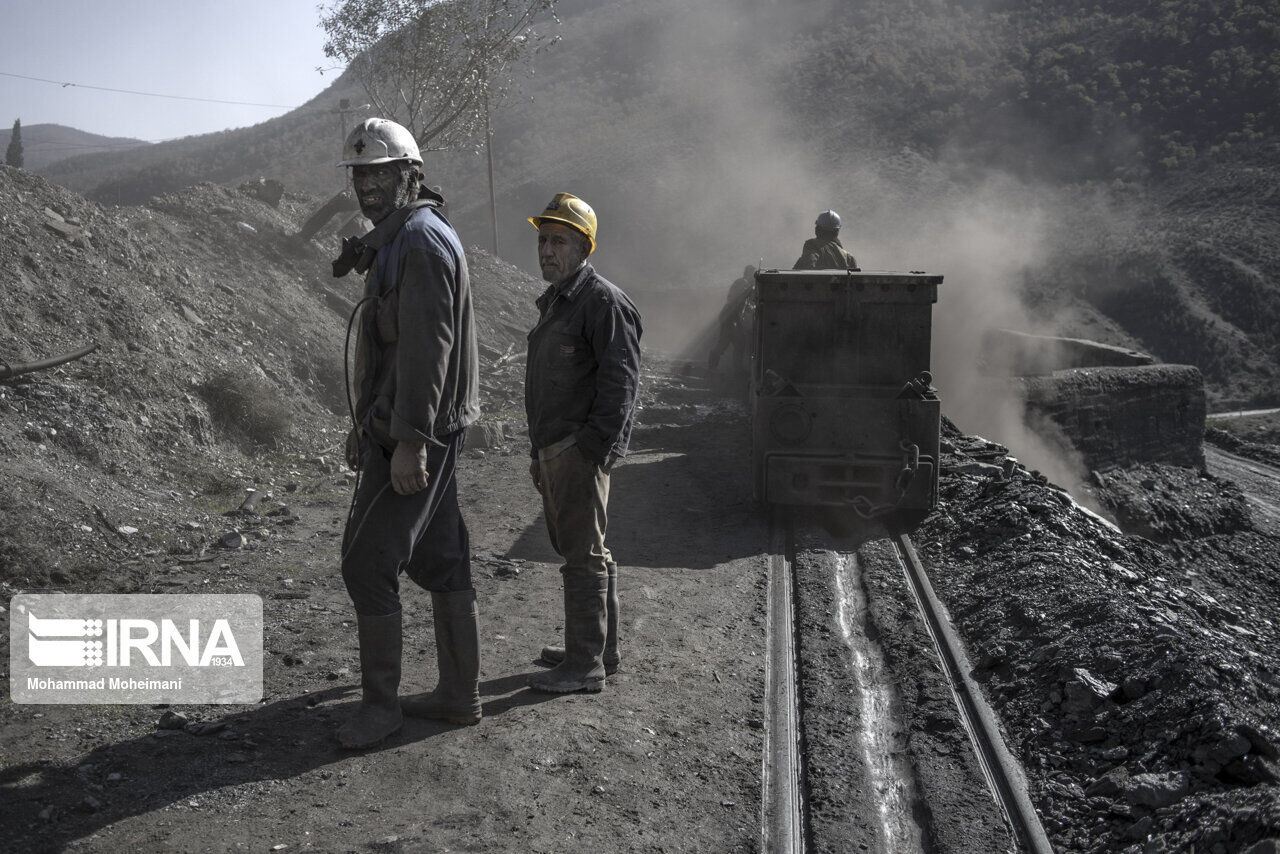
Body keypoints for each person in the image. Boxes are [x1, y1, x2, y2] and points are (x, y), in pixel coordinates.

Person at [333, 118, 481, 749]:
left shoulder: (419, 242)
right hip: (401, 426)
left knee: (366, 563)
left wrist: (412, 441)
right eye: (360, 174)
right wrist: (363, 423)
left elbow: (427, 349)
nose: (367, 185)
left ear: (411, 174)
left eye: (380, 172)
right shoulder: (398, 237)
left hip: (417, 433)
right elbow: (388, 350)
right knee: (441, 557)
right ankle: (458, 694)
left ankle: (380, 708)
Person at [524, 192, 643, 693]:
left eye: (559, 241)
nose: (547, 251)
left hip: (577, 451)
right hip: (556, 449)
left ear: (584, 248)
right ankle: (598, 650)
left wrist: (591, 450)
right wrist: (540, 452)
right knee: (586, 549)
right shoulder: (560, 300)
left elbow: (621, 386)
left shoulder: (603, 302)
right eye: (543, 241)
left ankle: (584, 665)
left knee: (583, 557)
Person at [708, 265, 756, 373]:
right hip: (730, 316)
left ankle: (719, 367)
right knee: (728, 342)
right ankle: (714, 367)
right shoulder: (742, 283)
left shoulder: (744, 284)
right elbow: (737, 299)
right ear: (749, 273)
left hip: (731, 316)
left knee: (736, 342)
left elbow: (742, 301)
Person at [793, 210, 858, 270]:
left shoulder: (812, 245)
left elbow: (807, 268)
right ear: (837, 231)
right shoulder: (849, 258)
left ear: (818, 229)